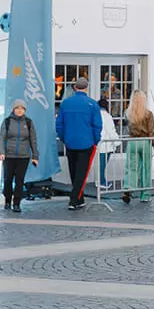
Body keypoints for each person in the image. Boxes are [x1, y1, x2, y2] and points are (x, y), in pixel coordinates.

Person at [56, 76, 102, 210]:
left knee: (73, 170)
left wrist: (64, 137)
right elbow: (97, 125)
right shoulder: (92, 104)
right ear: (86, 88)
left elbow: (59, 124)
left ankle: (78, 198)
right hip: (86, 142)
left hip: (70, 141)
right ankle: (74, 198)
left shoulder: (66, 103)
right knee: (82, 172)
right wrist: (95, 139)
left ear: (75, 87)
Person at [0, 99, 38, 212]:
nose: (20, 111)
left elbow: (33, 140)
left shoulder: (29, 122)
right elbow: (1, 138)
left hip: (23, 156)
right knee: (8, 179)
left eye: (22, 108)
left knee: (20, 180)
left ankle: (17, 203)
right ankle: (7, 201)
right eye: (17, 108)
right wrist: (1, 152)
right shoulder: (7, 121)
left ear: (25, 110)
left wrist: (35, 156)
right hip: (9, 156)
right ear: (13, 109)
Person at [123, 90, 154, 204]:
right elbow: (151, 131)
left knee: (131, 167)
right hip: (145, 141)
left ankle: (128, 188)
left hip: (132, 141)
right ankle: (145, 194)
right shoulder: (148, 114)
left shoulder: (127, 113)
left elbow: (127, 128)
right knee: (146, 168)